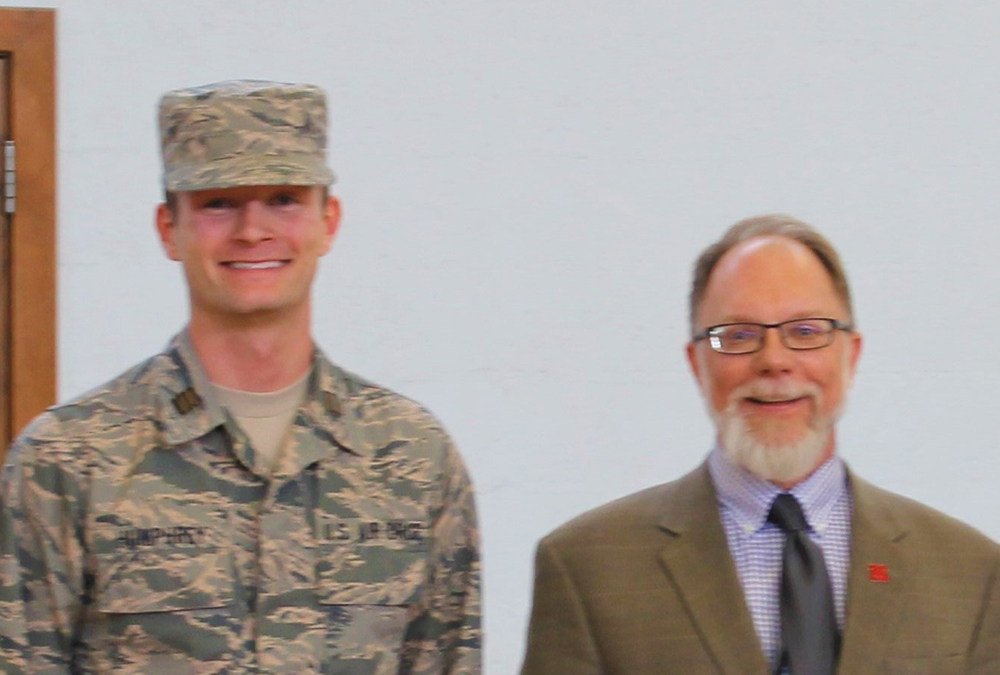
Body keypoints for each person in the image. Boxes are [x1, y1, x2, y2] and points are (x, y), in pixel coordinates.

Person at [0, 80, 480, 675]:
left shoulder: (410, 454)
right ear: (168, 228)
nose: (252, 230)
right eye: (218, 202)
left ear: (328, 221)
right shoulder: (69, 460)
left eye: (283, 199)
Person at [520, 214, 1000, 675]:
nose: (774, 361)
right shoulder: (587, 571)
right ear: (696, 364)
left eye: (806, 332)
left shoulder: (968, 574)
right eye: (739, 335)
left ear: (851, 355)